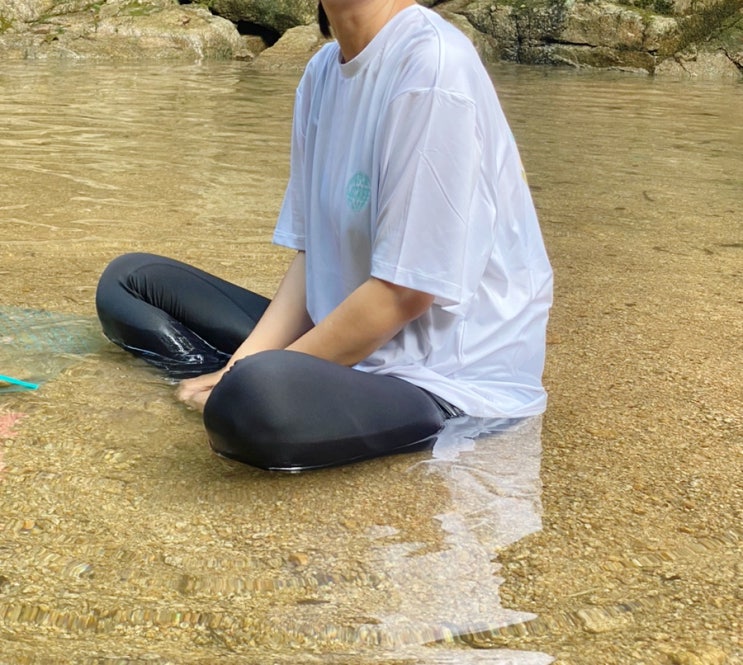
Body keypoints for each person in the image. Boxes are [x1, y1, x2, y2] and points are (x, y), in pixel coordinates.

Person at [95, 0, 553, 472]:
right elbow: (313, 256)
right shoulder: (321, 72)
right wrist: (235, 367)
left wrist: (245, 378)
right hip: (353, 344)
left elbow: (404, 295)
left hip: (445, 382)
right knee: (130, 282)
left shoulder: (434, 67)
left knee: (256, 397)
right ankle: (227, 390)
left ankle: (250, 395)